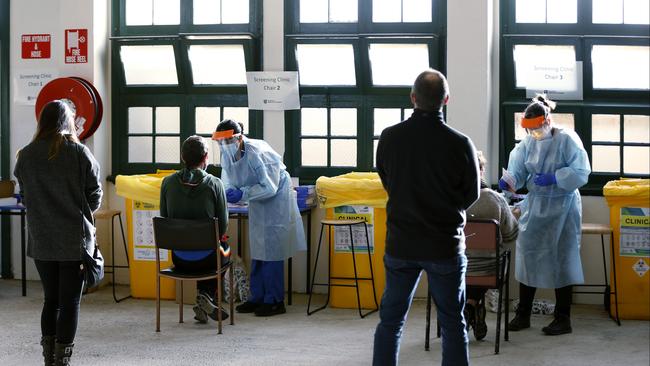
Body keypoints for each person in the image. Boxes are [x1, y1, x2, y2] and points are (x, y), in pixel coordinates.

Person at [373, 69, 480, 366]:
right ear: (446, 99)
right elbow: (471, 193)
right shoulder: (460, 143)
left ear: (413, 98)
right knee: (452, 323)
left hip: (401, 244)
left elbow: (386, 180)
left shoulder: (390, 138)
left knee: (391, 321)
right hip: (444, 245)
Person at [14, 100, 103, 366]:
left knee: (50, 300)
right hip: (73, 241)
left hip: (42, 240)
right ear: (68, 123)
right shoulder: (78, 152)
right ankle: (62, 361)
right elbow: (95, 193)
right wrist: (82, 210)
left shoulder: (25, 155)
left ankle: (48, 358)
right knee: (70, 302)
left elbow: (25, 196)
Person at [499, 95, 590, 336]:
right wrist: (510, 182)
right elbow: (517, 171)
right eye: (529, 129)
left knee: (562, 257)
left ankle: (563, 318)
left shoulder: (567, 139)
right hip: (537, 205)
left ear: (547, 120)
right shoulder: (527, 143)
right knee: (528, 253)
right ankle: (523, 314)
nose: (534, 133)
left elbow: (581, 172)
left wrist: (556, 177)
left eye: (537, 127)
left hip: (564, 207)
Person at [212, 119, 306, 317]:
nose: (223, 146)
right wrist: (229, 191)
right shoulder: (227, 153)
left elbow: (270, 187)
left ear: (238, 138)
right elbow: (227, 176)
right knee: (258, 247)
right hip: (256, 199)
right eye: (220, 142)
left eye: (226, 141)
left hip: (276, 199)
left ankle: (274, 300)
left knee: (272, 250)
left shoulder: (258, 153)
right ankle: (257, 297)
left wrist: (243, 194)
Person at [159, 136, 230, 324]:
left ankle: (203, 302)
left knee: (203, 246)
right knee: (224, 248)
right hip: (208, 260)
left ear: (183, 157)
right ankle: (206, 295)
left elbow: (165, 219)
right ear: (206, 157)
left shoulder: (167, 183)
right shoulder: (215, 184)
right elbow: (222, 226)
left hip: (179, 259)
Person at [464, 151, 519, 341]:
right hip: (488, 271)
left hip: (454, 269)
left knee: (468, 266)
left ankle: (469, 306)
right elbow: (511, 234)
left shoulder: (447, 199)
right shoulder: (495, 199)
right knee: (488, 264)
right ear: (481, 170)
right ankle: (472, 305)